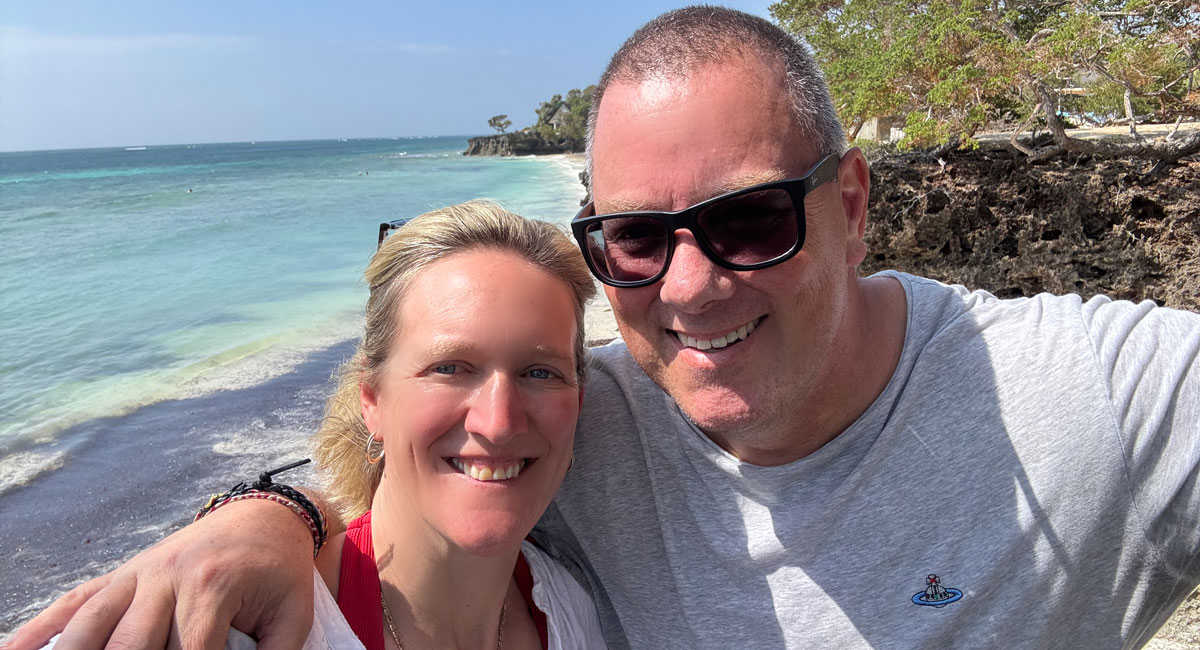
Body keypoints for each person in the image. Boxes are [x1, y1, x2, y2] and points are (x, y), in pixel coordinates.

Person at [9, 6, 1200, 648]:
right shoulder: (592, 415)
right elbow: (432, 463)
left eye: (747, 219)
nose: (688, 287)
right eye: (634, 237)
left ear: (848, 206)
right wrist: (259, 517)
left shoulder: (1087, 393)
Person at [19, 202, 606, 649]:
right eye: (450, 368)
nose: (498, 422)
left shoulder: (570, 610)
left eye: (540, 371)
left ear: (579, 402)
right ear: (371, 399)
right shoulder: (231, 623)